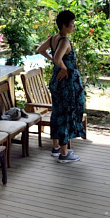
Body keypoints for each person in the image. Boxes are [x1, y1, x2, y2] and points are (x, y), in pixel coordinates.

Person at [37, 10, 86, 163]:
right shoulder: (64, 41)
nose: (74, 26)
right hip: (66, 83)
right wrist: (64, 68)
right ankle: (64, 154)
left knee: (57, 112)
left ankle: (56, 147)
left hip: (56, 81)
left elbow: (40, 50)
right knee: (66, 113)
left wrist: (55, 61)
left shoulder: (54, 38)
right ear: (64, 25)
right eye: (72, 24)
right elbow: (58, 59)